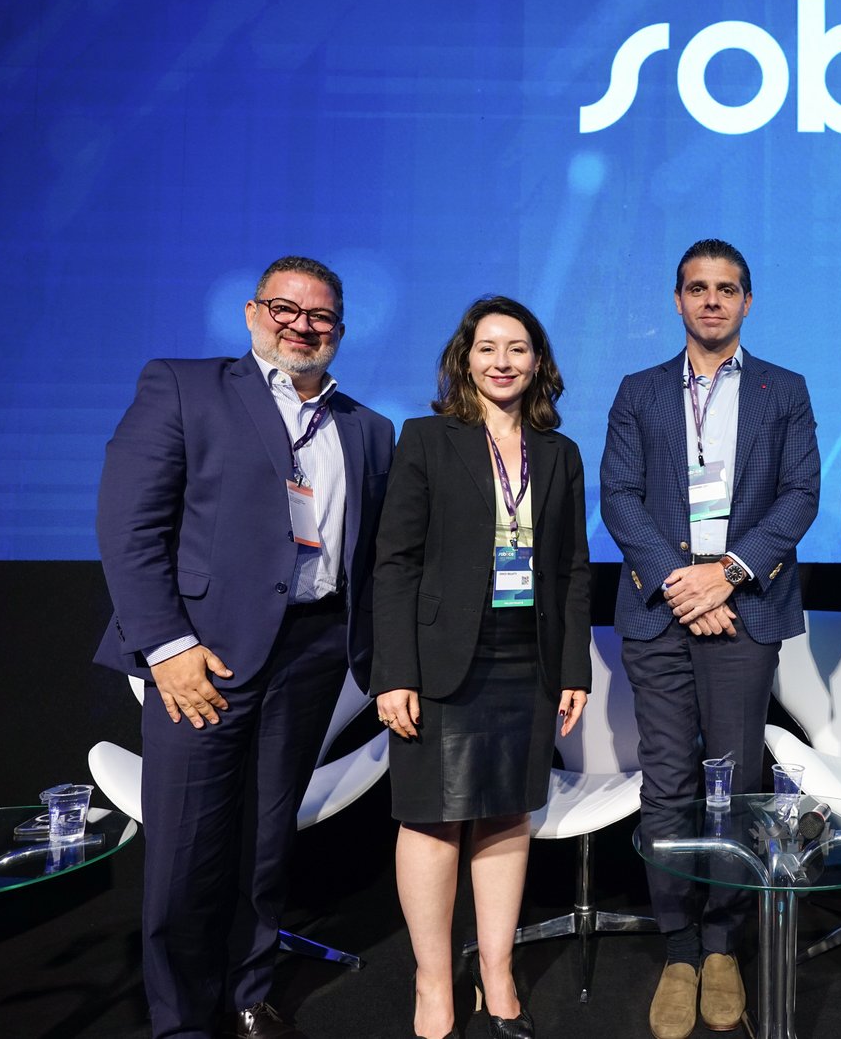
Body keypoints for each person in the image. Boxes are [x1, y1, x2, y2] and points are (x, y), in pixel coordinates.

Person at [95, 255, 394, 1039]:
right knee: (186, 851)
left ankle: (248, 993)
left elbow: (370, 555)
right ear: (254, 313)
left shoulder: (367, 428)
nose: (302, 325)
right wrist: (166, 646)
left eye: (320, 315)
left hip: (314, 652)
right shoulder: (184, 386)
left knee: (266, 844)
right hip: (205, 658)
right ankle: (181, 1021)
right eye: (285, 308)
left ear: (339, 329)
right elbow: (129, 527)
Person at [600, 238, 819, 1039]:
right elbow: (619, 496)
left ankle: (723, 941)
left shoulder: (782, 389)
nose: (713, 300)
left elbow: (800, 494)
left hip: (743, 606)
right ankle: (679, 947)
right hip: (661, 610)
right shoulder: (640, 391)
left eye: (727, 288)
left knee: (733, 782)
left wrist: (724, 574)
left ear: (747, 301)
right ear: (678, 299)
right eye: (698, 288)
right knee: (667, 782)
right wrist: (682, 583)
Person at [371, 296, 591, 1039]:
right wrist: (394, 671)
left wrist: (574, 668)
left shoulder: (559, 453)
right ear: (465, 359)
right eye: (488, 347)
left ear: (538, 362)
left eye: (518, 348)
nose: (503, 361)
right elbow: (394, 562)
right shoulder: (427, 439)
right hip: (440, 659)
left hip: (528, 656)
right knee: (433, 818)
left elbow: (572, 568)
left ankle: (497, 973)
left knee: (506, 812)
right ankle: (434, 982)